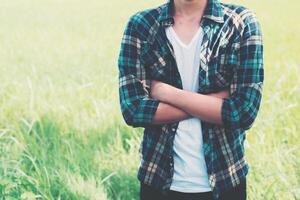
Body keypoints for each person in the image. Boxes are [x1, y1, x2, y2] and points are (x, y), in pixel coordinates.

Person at [117, 0, 264, 199]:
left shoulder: (241, 23)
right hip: (158, 180)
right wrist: (215, 101)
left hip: (226, 179)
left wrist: (169, 94)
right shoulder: (141, 26)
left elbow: (244, 112)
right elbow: (133, 109)